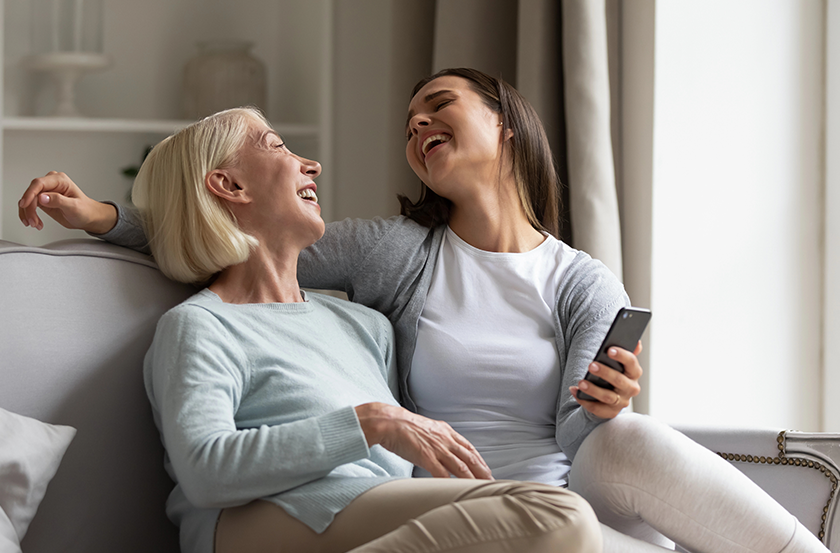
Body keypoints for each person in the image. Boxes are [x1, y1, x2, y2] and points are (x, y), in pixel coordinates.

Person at [18, 69, 828, 553]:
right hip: (460, 507)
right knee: (562, 520)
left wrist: (604, 406)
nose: (418, 125)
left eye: (440, 105)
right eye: (410, 124)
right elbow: (222, 235)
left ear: (505, 125)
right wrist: (106, 218)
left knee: (624, 445)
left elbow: (581, 439)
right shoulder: (391, 255)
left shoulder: (577, 283)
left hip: (542, 496)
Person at [52, 107, 602, 553]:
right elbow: (205, 470)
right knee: (557, 516)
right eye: (277, 147)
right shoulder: (200, 325)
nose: (311, 165)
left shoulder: (366, 327)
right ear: (228, 184)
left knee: (549, 524)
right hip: (257, 523)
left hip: (373, 515)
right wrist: (371, 423)